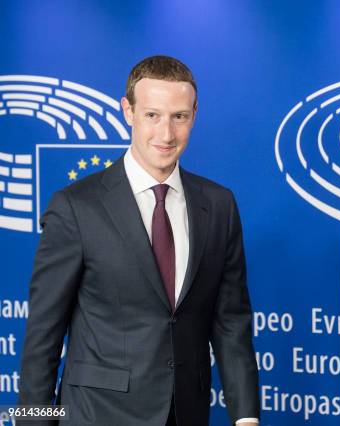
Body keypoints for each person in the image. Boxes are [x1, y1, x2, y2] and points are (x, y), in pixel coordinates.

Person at [18, 56, 259, 426]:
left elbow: (231, 323)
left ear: (195, 113)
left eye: (179, 116)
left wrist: (246, 418)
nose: (166, 134)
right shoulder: (76, 207)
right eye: (152, 115)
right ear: (127, 111)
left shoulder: (219, 204)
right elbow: (42, 338)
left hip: (187, 415)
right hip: (97, 415)